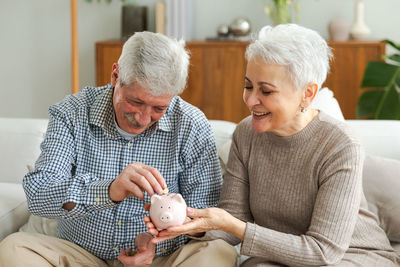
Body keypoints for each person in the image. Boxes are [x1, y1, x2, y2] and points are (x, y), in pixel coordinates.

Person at [145, 24, 400, 266]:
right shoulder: (246, 134)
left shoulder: (340, 145)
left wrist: (234, 226)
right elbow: (233, 219)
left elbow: (323, 251)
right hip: (277, 257)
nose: (251, 100)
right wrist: (189, 225)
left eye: (266, 91)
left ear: (308, 93)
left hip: (349, 256)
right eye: (248, 86)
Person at [0, 32, 237, 267]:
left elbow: (205, 214)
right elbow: (39, 193)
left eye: (159, 108)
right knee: (13, 249)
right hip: (81, 256)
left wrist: (159, 237)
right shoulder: (72, 112)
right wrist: (109, 191)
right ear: (115, 75)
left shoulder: (191, 124)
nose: (143, 118)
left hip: (163, 260)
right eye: (136, 102)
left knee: (219, 253)